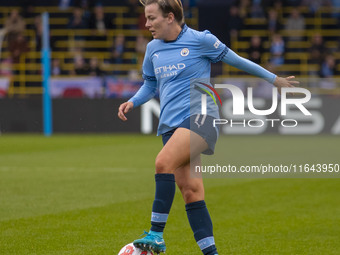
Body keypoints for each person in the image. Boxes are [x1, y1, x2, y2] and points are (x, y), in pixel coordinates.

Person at [118, 1, 298, 254]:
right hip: (170, 125)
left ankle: (156, 234)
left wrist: (273, 79)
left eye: (151, 18)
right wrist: (133, 101)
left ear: (170, 17)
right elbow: (150, 83)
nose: (146, 24)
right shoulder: (152, 49)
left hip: (201, 118)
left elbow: (238, 60)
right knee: (191, 192)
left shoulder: (201, 40)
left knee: (162, 163)